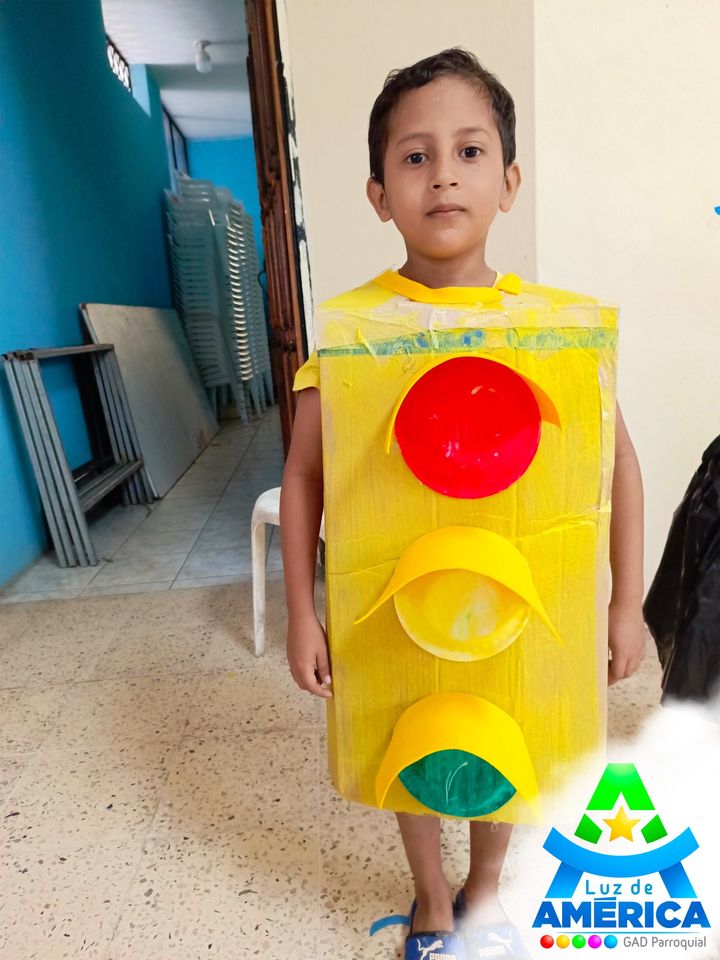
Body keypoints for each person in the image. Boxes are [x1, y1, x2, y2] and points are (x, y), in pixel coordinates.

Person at [280, 47, 647, 960]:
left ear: (508, 182)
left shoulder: (552, 335)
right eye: (415, 156)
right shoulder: (355, 335)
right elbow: (305, 475)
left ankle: (483, 886)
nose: (443, 173)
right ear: (378, 195)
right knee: (405, 730)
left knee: (503, 732)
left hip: (513, 596)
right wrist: (301, 611)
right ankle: (431, 890)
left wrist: (626, 600)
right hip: (393, 597)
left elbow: (615, 464)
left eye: (470, 151)